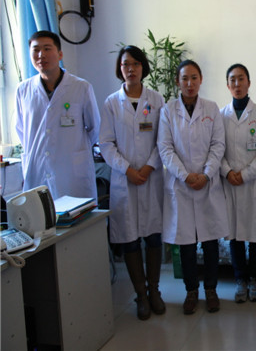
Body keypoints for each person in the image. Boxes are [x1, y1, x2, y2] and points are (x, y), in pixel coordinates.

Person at [99, 45, 165, 320]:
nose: (131, 69)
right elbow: (106, 143)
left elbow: (164, 140)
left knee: (153, 236)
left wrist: (148, 167)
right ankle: (141, 295)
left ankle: (155, 291)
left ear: (143, 67)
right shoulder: (111, 103)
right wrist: (127, 170)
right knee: (129, 239)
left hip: (151, 178)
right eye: (126, 64)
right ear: (120, 68)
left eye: (136, 64)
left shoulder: (157, 100)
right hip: (124, 180)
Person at [157, 60, 229, 315]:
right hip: (181, 186)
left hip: (207, 184)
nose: (189, 83)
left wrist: (206, 174)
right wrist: (186, 176)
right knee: (185, 244)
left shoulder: (211, 108)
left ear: (201, 80)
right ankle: (191, 291)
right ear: (178, 81)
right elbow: (165, 148)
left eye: (194, 78)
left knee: (210, 243)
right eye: (185, 78)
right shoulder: (167, 111)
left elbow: (218, 145)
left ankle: (211, 290)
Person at [15, 30, 100, 200]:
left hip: (72, 172)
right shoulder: (23, 90)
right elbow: (21, 130)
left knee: (77, 214)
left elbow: (94, 128)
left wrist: (73, 149)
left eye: (47, 49)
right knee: (40, 214)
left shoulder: (81, 87)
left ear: (60, 54)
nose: (41, 55)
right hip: (37, 171)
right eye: (36, 50)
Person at [221, 64, 256, 303]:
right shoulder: (221, 116)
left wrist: (245, 174)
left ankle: (254, 279)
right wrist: (227, 172)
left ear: (249, 83)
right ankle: (240, 278)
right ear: (228, 85)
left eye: (241, 79)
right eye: (232, 80)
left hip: (253, 184)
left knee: (255, 235)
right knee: (235, 235)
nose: (237, 84)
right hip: (230, 184)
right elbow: (216, 150)